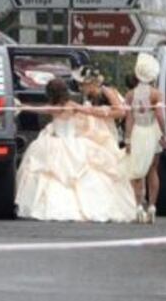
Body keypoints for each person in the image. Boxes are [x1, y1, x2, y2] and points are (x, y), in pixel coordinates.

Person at [15, 78, 138, 222]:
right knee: (82, 173)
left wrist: (22, 106)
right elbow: (89, 111)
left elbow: (37, 109)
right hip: (74, 143)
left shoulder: (52, 107)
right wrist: (104, 111)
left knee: (46, 171)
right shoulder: (71, 105)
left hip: (54, 142)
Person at [123, 53, 166, 223]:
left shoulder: (130, 95)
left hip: (137, 133)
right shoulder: (157, 94)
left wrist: (127, 140)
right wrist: (165, 133)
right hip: (153, 132)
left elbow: (129, 119)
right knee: (152, 170)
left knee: (136, 172)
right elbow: (159, 115)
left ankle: (138, 208)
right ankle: (152, 207)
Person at [73, 65, 126, 145]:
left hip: (109, 132)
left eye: (82, 84)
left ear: (91, 83)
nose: (80, 88)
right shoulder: (88, 96)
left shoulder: (106, 91)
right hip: (96, 132)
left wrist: (101, 112)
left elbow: (121, 112)